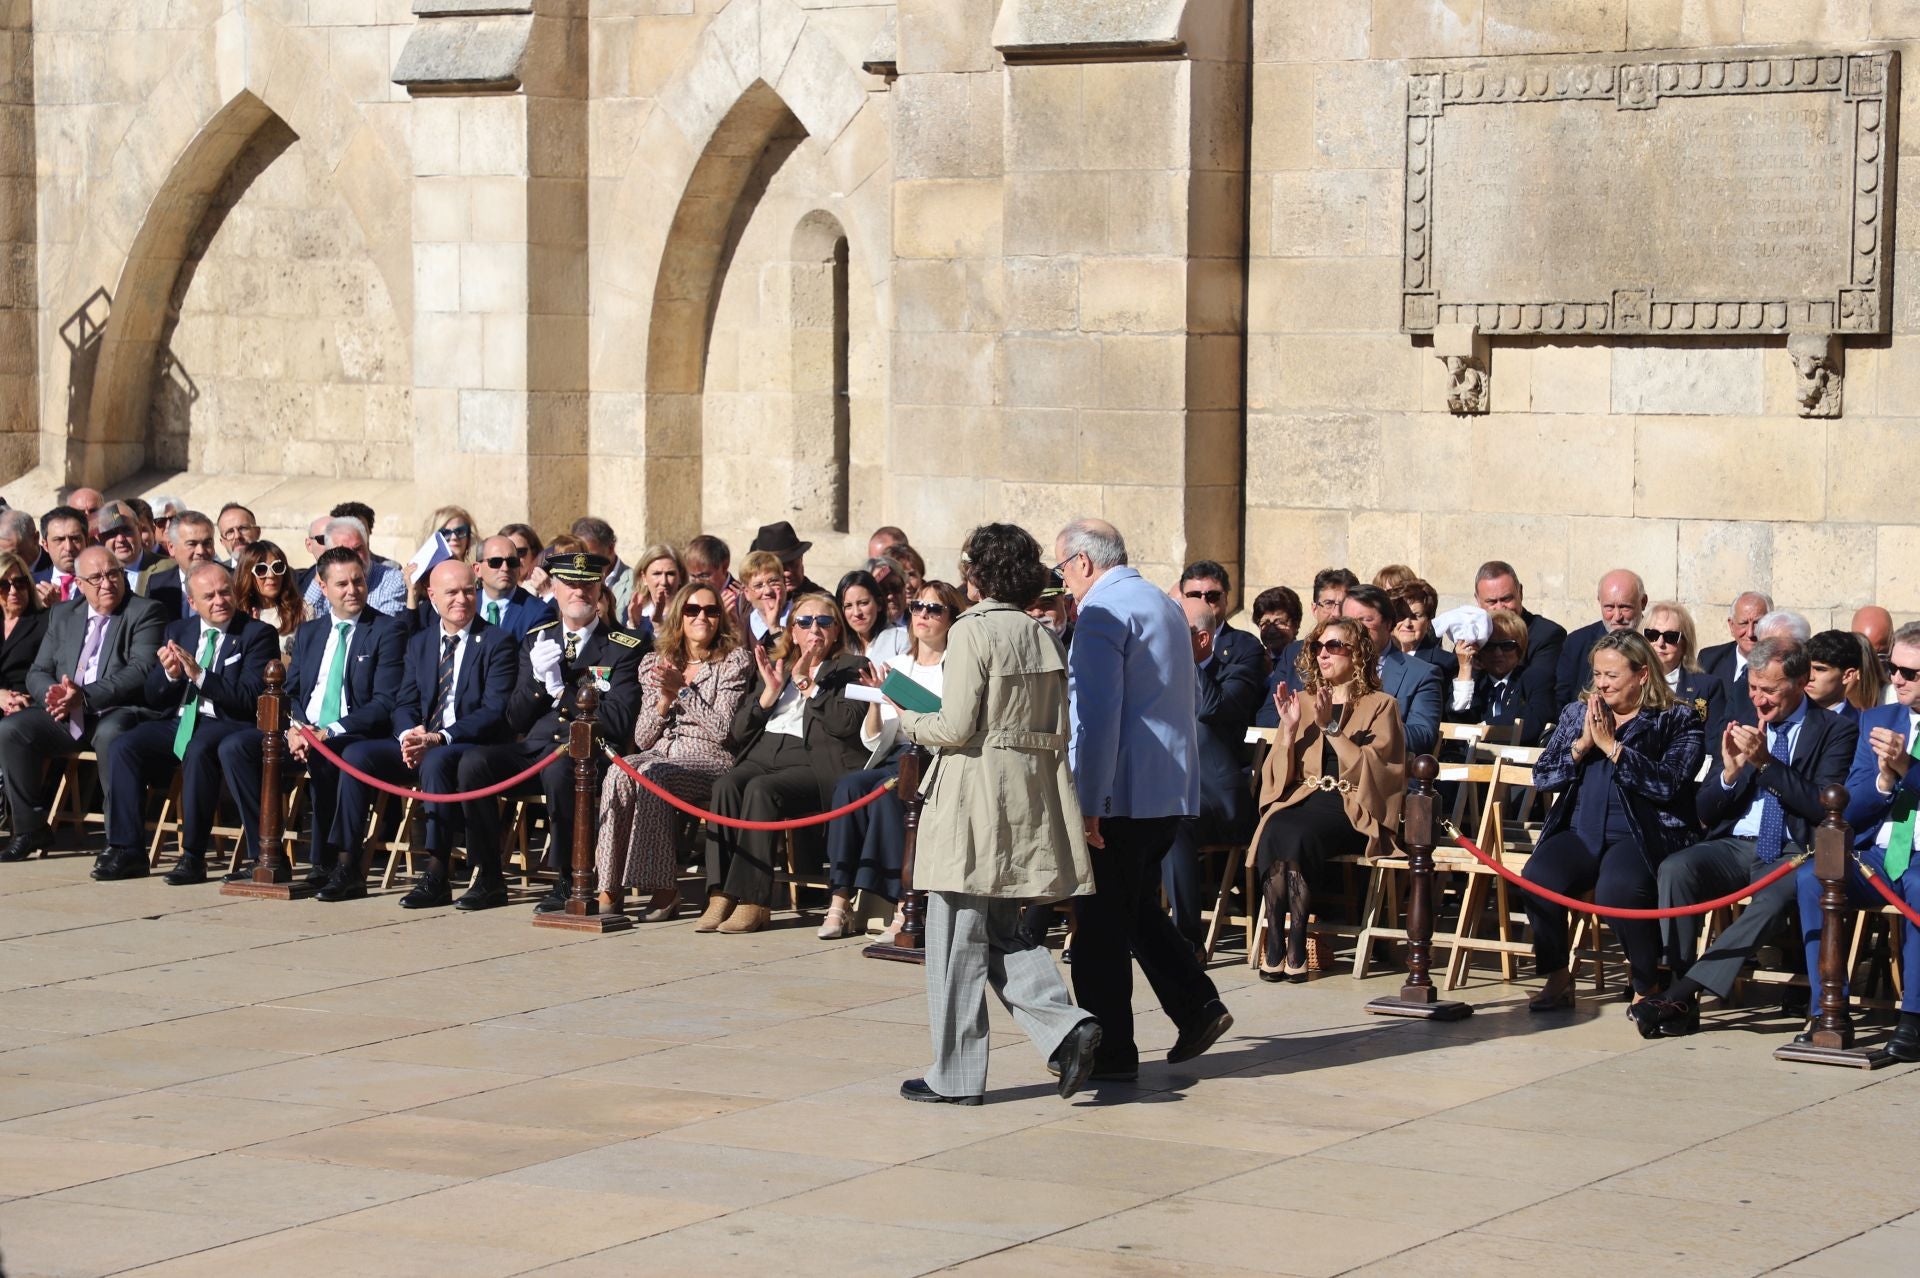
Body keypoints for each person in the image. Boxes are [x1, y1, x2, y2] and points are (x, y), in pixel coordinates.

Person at [892, 523, 1102, 1105]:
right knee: (1004, 932)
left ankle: (954, 1075)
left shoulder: (972, 631)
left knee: (956, 937)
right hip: (1025, 797)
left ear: (978, 574)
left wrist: (908, 717)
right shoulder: (1042, 636)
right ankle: (1067, 1026)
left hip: (972, 795)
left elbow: (955, 726)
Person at [1055, 516, 1231, 1080]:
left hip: (1122, 795)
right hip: (1165, 789)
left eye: (1062, 569)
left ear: (1082, 563)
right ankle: (1196, 1005)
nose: (1064, 582)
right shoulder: (1159, 601)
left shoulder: (1104, 612)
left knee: (1100, 927)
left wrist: (1088, 799)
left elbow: (1097, 716)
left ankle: (1113, 1052)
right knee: (1132, 912)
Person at [1632, 638, 1854, 1039]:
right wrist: (1729, 774)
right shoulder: (1742, 718)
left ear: (1802, 681)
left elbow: (1824, 807)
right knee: (1677, 870)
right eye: (1753, 688)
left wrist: (1766, 763)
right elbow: (1704, 809)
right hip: (1737, 842)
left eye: (1769, 690)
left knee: (1771, 900)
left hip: (1795, 849)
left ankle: (1680, 994)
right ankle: (1684, 1001)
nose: (1759, 700)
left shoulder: (1835, 730)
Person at [1522, 631, 1704, 1011]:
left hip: (1643, 834)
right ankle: (1557, 974)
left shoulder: (1676, 718)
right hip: (1580, 830)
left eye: (1612, 675)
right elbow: (1542, 777)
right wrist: (1583, 745)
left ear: (1641, 675)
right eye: (1597, 674)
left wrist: (1614, 748)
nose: (1601, 684)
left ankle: (1645, 981)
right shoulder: (1578, 713)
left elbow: (1669, 784)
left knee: (1617, 891)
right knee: (1538, 879)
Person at [456, 551, 646, 912]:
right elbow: (514, 718)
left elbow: (619, 721)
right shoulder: (537, 639)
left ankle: (569, 876)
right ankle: (488, 875)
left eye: (588, 584)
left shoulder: (626, 647)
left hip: (591, 753)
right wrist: (539, 685)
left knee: (563, 768)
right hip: (537, 748)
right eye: (570, 584)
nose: (579, 592)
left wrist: (563, 691)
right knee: (473, 763)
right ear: (554, 589)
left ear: (600, 588)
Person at [217, 546, 406, 888]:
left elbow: (384, 702)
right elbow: (290, 691)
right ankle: (265, 850)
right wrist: (294, 729)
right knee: (236, 748)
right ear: (322, 584)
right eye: (342, 584)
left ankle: (326, 862)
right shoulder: (310, 632)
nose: (353, 590)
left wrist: (326, 732)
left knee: (326, 754)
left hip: (353, 732)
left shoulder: (386, 630)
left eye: (359, 581)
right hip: (305, 731)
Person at [333, 560, 518, 905]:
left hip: (465, 744)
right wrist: (408, 734)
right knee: (356, 755)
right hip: (422, 741)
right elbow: (403, 702)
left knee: (436, 763)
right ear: (432, 596)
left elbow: (493, 711)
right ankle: (347, 866)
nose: (461, 599)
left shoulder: (498, 642)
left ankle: (436, 870)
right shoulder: (419, 642)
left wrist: (438, 738)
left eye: (467, 590)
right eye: (451, 592)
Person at [95, 563, 278, 884]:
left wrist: (200, 675)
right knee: (124, 745)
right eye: (209, 596)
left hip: (228, 722)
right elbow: (154, 696)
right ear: (192, 603)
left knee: (199, 748)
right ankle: (129, 850)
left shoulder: (256, 634)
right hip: (180, 719)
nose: (219, 600)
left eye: (225, 592)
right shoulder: (179, 631)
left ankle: (193, 855)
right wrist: (169, 674)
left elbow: (250, 699)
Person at [698, 593, 867, 934]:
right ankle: (720, 894)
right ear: (793, 630)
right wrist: (769, 694)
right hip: (763, 752)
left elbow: (845, 724)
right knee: (727, 785)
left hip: (810, 762)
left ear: (836, 631)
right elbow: (739, 731)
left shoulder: (850, 668)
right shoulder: (776, 666)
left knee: (761, 790)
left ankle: (754, 902)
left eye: (824, 621)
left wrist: (808, 685)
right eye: (804, 622)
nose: (814, 628)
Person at [1250, 616, 1405, 981]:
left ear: (1358, 655)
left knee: (1298, 832)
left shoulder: (1382, 705)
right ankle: (1277, 940)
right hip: (1303, 796)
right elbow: (1277, 778)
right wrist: (1287, 731)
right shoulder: (1301, 700)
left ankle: (1298, 938)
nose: (1323, 654)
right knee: (1274, 825)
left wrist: (1329, 728)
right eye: (1318, 646)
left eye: (1334, 646)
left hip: (1350, 804)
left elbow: (1378, 771)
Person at [594, 582, 752, 920]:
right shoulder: (656, 662)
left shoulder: (733, 661)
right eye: (692, 610)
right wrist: (664, 700)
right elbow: (644, 737)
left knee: (654, 775)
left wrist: (682, 692)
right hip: (662, 752)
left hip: (709, 759)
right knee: (620, 770)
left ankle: (664, 888)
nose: (702, 617)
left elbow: (723, 731)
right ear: (679, 616)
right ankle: (608, 885)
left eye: (711, 611)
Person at [1800, 619, 1920, 1060]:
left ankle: (1913, 1020)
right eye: (1894, 669)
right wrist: (1885, 782)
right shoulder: (1877, 719)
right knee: (1815, 877)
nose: (1897, 680)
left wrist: (1907, 766)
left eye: (1911, 673)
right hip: (1877, 853)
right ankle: (1828, 1012)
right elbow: (1848, 808)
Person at [819, 579, 966, 940]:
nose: (923, 615)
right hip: (894, 754)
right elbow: (873, 740)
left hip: (933, 759)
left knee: (889, 794)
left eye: (934, 609)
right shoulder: (898, 663)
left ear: (951, 618)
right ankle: (839, 899)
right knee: (850, 787)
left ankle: (903, 906)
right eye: (918, 607)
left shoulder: (957, 666)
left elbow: (951, 725)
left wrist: (909, 707)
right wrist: (876, 700)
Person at [0, 548, 166, 861]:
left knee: (112, 736)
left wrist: (85, 697)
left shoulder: (145, 611)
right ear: (79, 583)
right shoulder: (63, 614)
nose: (107, 583)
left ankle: (119, 840)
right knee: (11, 730)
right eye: (96, 577)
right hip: (66, 710)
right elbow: (38, 671)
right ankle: (29, 828)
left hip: (117, 709)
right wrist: (54, 694)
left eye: (113, 574)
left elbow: (141, 670)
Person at [1162, 559, 1264, 949]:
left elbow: (1212, 710)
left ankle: (1186, 942)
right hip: (1170, 786)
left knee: (1174, 822)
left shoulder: (1242, 654)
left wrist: (1190, 660)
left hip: (1217, 798)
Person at [1332, 585, 1442, 756]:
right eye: (1347, 621)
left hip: (1387, 772)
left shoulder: (1421, 674)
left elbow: (1423, 736)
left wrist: (1366, 729)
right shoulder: (1328, 666)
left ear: (1388, 624)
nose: (1355, 629)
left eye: (1365, 621)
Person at [1256, 568, 1357, 728]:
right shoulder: (1294, 653)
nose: (1336, 613)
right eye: (1329, 604)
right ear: (1314, 608)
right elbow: (1267, 715)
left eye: (1343, 604)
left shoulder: (1364, 652)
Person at [1446, 606, 1557, 746]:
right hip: (1472, 762)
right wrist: (1465, 668)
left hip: (1515, 763)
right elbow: (1457, 720)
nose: (1498, 653)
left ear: (1520, 648)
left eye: (1507, 646)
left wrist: (1485, 727)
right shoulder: (1473, 681)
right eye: (1490, 646)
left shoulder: (1534, 678)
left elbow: (1536, 719)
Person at [1640, 602, 1728, 752]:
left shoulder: (1707, 687)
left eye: (1670, 637)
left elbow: (1713, 743)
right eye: (1652, 635)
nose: (1660, 643)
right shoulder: (1628, 681)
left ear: (1685, 644)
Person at [1555, 570, 1648, 707]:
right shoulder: (1577, 643)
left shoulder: (1659, 642)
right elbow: (1562, 699)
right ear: (1599, 601)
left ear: (1643, 602)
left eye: (1625, 607)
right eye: (1609, 607)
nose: (1617, 616)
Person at [1473, 560, 1566, 682]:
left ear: (1520, 593)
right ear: (1477, 601)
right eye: (1492, 602)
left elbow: (1537, 686)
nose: (1500, 608)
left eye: (1506, 599)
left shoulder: (1547, 636)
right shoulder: (1471, 635)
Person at [301, 516, 407, 616]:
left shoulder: (392, 580)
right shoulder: (326, 580)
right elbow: (306, 620)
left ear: (367, 546)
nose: (353, 556)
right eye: (343, 551)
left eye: (357, 549)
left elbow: (384, 629)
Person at [141, 510, 221, 620]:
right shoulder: (158, 586)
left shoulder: (233, 579)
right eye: (192, 544)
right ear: (171, 548)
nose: (201, 551)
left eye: (207, 543)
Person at [233, 540, 304, 658]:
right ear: (247, 574)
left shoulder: (302, 611)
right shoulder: (235, 615)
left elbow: (307, 664)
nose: (271, 575)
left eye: (277, 567)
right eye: (261, 569)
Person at [0, 551, 50, 716]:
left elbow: (49, 672)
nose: (13, 591)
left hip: (28, 707)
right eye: (4, 586)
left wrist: (19, 700)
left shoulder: (46, 621)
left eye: (20, 583)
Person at [472, 534, 549, 640]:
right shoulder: (466, 604)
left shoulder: (538, 612)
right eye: (496, 562)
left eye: (512, 562)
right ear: (477, 569)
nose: (505, 568)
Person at [405, 505, 477, 609]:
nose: (454, 537)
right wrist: (413, 592)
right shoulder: (419, 577)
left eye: (460, 531)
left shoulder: (478, 575)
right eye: (445, 533)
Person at [1699, 591, 1771, 685]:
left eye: (1758, 623)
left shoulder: (1782, 665)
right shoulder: (1708, 660)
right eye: (1743, 623)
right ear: (1731, 625)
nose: (1750, 633)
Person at [571, 516, 635, 620]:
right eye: (579, 556)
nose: (584, 563)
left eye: (591, 556)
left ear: (610, 549)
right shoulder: (568, 582)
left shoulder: (635, 584)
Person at [1390, 578, 1455, 678]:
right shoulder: (1379, 656)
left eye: (1416, 616)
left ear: (1429, 621)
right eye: (1401, 615)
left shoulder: (1445, 663)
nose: (1407, 623)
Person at [683, 534, 747, 637]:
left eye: (704, 575)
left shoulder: (743, 598)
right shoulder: (686, 596)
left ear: (724, 566)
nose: (697, 582)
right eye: (693, 576)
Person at [837, 568, 907, 662]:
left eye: (863, 603)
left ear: (879, 604)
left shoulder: (900, 641)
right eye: (848, 606)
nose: (856, 613)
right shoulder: (839, 647)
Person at [749, 520, 825, 600]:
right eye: (780, 567)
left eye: (793, 564)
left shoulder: (820, 601)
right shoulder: (747, 601)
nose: (788, 573)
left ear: (801, 559)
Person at [625, 543, 685, 640]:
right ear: (644, 577)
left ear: (680, 576)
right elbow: (625, 653)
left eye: (670, 574)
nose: (664, 581)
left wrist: (659, 627)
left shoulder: (691, 612)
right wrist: (633, 625)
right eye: (657, 574)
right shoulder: (634, 611)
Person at [1806, 629, 1866, 720]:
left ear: (1848, 676)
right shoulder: (1782, 716)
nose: (1809, 676)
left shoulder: (1863, 726)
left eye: (1820, 669)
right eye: (1805, 667)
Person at [740, 549, 788, 645]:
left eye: (774, 581)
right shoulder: (741, 632)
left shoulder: (804, 620)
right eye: (758, 585)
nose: (768, 591)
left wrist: (775, 628)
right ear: (747, 593)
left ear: (784, 584)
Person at [1251, 585, 1301, 669]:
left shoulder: (1306, 661)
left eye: (1279, 622)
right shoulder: (1254, 661)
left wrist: (1269, 676)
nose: (1272, 630)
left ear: (1295, 625)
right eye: (1265, 623)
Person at [0, 507, 50, 577]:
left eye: (16, 554)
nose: (9, 561)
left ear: (35, 538)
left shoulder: (57, 568)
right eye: (4, 554)